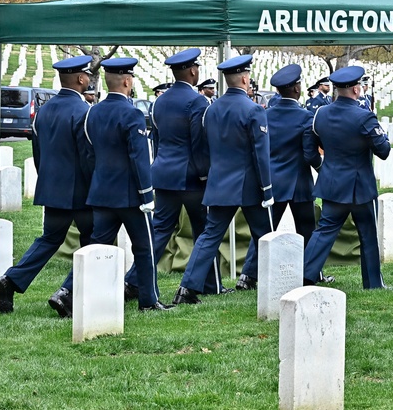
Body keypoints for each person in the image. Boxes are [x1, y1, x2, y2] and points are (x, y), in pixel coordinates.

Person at [0, 56, 95, 317]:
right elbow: (87, 156)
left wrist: (49, 180)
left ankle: (11, 280)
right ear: (81, 79)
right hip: (81, 190)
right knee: (94, 240)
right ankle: (68, 293)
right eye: (86, 75)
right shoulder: (84, 111)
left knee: (50, 238)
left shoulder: (43, 111)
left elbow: (38, 153)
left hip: (53, 187)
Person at [69, 57, 171, 311]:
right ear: (127, 81)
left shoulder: (92, 112)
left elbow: (90, 153)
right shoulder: (132, 113)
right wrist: (147, 196)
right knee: (144, 249)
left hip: (102, 192)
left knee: (94, 248)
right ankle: (149, 300)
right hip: (129, 196)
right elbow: (139, 158)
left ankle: (66, 292)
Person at [173, 54, 274, 304]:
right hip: (250, 184)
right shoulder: (253, 110)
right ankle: (268, 280)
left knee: (209, 237)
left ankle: (187, 288)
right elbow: (260, 154)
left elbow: (204, 148)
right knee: (265, 236)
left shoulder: (211, 109)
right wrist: (268, 188)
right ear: (244, 78)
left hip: (219, 182)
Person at [124, 48, 224, 302]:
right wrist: (205, 174)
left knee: (160, 230)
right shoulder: (198, 101)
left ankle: (134, 280)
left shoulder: (159, 101)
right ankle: (207, 284)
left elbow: (157, 139)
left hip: (164, 173)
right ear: (193, 71)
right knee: (205, 232)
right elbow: (199, 142)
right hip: (191, 176)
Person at [303, 65, 391, 289]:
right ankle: (372, 283)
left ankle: (306, 274)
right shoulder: (364, 117)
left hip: (332, 182)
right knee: (368, 235)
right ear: (356, 90)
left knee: (324, 232)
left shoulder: (320, 113)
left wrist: (323, 168)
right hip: (359, 185)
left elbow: (310, 146)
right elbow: (384, 151)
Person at [240, 63, 325, 280]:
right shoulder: (306, 117)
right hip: (298, 181)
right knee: (307, 230)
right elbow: (309, 153)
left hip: (271, 181)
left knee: (264, 232)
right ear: (297, 89)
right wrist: (321, 169)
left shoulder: (265, 114)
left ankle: (248, 275)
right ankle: (312, 272)